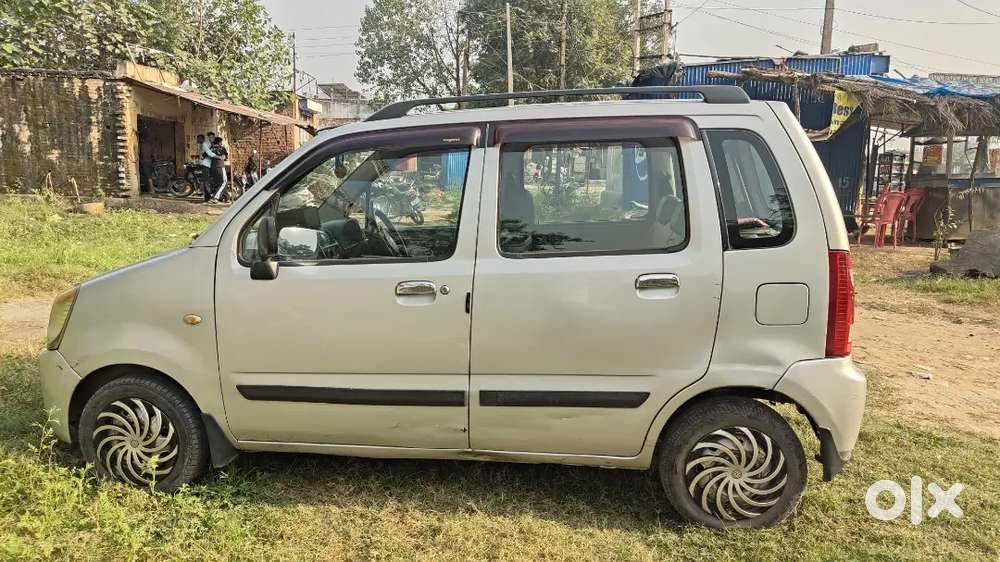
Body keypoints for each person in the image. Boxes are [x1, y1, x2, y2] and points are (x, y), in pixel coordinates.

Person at [208, 136, 229, 202]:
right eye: (221, 142)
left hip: (212, 167)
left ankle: (225, 197)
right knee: (224, 182)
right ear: (219, 142)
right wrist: (222, 157)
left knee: (219, 183)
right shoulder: (221, 148)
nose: (221, 143)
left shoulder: (210, 148)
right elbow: (224, 157)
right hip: (220, 166)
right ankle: (215, 197)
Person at [198, 133, 214, 199]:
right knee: (205, 181)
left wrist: (218, 157)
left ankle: (208, 196)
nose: (197, 140)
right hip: (205, 164)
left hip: (206, 165)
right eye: (210, 137)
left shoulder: (205, 144)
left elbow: (209, 153)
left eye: (198, 138)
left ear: (202, 139)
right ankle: (206, 196)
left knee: (206, 181)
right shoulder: (204, 145)